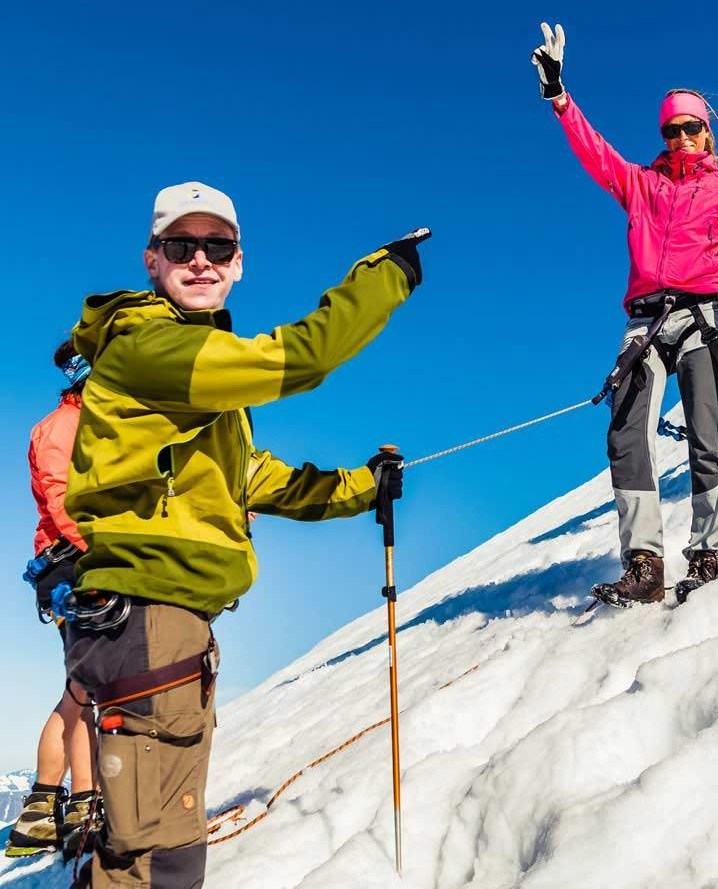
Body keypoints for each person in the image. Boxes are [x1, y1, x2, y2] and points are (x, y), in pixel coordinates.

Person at [60, 181, 425, 888]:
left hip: (168, 625)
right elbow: (300, 359)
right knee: (150, 859)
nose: (200, 260)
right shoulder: (149, 348)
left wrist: (361, 486)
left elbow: (259, 481)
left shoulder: (197, 387)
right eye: (181, 246)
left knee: (165, 844)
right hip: (150, 619)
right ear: (151, 259)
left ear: (238, 262)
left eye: (217, 246)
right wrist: (383, 277)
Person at [531, 23, 718, 605]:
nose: (682, 137)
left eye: (691, 127)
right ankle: (645, 563)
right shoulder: (641, 185)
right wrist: (560, 99)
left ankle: (708, 549)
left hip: (703, 317)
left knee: (705, 432)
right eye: (672, 130)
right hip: (644, 320)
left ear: (707, 131)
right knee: (625, 432)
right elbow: (596, 152)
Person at [6, 343, 99, 861]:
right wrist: (105, 550)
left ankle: (58, 806)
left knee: (85, 686)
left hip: (73, 561)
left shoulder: (84, 423)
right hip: (73, 563)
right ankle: (64, 804)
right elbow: (64, 503)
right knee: (83, 687)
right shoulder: (62, 428)